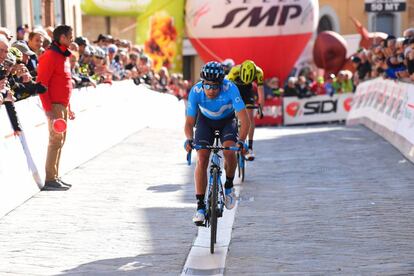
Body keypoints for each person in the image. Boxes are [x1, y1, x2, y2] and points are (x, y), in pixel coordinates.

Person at [184, 61, 250, 225]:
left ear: (222, 84)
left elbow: (244, 119)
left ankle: (228, 186)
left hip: (227, 121)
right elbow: (189, 122)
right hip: (205, 122)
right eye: (208, 86)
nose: (211, 90)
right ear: (202, 83)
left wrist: (241, 141)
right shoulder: (195, 91)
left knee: (229, 151)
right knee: (202, 158)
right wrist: (189, 139)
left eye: (215, 86)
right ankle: (200, 207)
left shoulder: (231, 88)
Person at [37, 25, 75, 191]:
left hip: (63, 105)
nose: (72, 39)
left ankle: (55, 176)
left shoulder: (63, 56)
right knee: (55, 141)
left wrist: (69, 107)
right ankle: (50, 179)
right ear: (62, 38)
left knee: (60, 141)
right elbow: (41, 85)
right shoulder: (50, 55)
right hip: (54, 106)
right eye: (69, 36)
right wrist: (48, 110)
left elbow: (65, 83)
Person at [226, 59, 264, 161]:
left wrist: (261, 108)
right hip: (235, 90)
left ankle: (250, 147)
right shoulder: (234, 71)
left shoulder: (259, 72)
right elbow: (226, 89)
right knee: (232, 114)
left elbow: (261, 92)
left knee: (249, 117)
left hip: (247, 91)